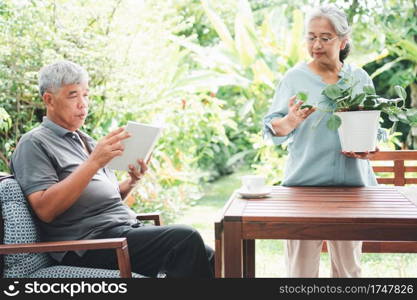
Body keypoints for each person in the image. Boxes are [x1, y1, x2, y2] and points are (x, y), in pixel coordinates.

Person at [10, 60, 214, 278]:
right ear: (49, 100)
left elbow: (104, 200)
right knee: (185, 239)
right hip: (88, 247)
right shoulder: (34, 143)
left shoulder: (85, 140)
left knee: (208, 254)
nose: (83, 104)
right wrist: (94, 162)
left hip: (122, 234)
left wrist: (133, 181)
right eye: (73, 95)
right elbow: (45, 209)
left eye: (85, 95)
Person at [263, 5, 380, 277]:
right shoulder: (294, 78)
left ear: (343, 40)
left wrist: (369, 147)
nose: (316, 44)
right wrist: (290, 121)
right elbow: (272, 127)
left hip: (353, 188)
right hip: (303, 187)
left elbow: (373, 128)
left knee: (348, 272)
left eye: (325, 38)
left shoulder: (359, 78)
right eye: (311, 37)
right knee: (300, 273)